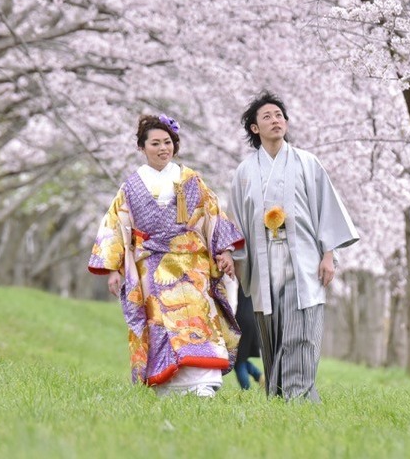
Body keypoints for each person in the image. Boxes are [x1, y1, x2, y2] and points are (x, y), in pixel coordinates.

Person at [88, 113, 245, 397]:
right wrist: (113, 269)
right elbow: (115, 225)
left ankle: (203, 381)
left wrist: (224, 252)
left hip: (191, 263)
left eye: (168, 142)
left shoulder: (190, 179)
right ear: (141, 148)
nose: (163, 148)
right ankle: (168, 384)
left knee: (197, 314)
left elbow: (212, 215)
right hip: (151, 265)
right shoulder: (130, 186)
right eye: (156, 143)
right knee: (158, 319)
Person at [228, 92, 359, 402]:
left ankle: (298, 398)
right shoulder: (244, 172)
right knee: (272, 335)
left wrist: (329, 255)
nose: (276, 120)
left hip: (303, 259)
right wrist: (233, 258)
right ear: (255, 128)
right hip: (262, 262)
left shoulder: (307, 163)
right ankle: (279, 398)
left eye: (279, 115)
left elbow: (325, 209)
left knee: (300, 332)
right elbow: (236, 222)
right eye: (267, 117)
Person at [232, 287, 263, 390]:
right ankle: (259, 376)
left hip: (241, 320)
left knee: (238, 360)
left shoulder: (236, 277)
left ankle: (247, 390)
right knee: (241, 358)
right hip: (253, 319)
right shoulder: (252, 278)